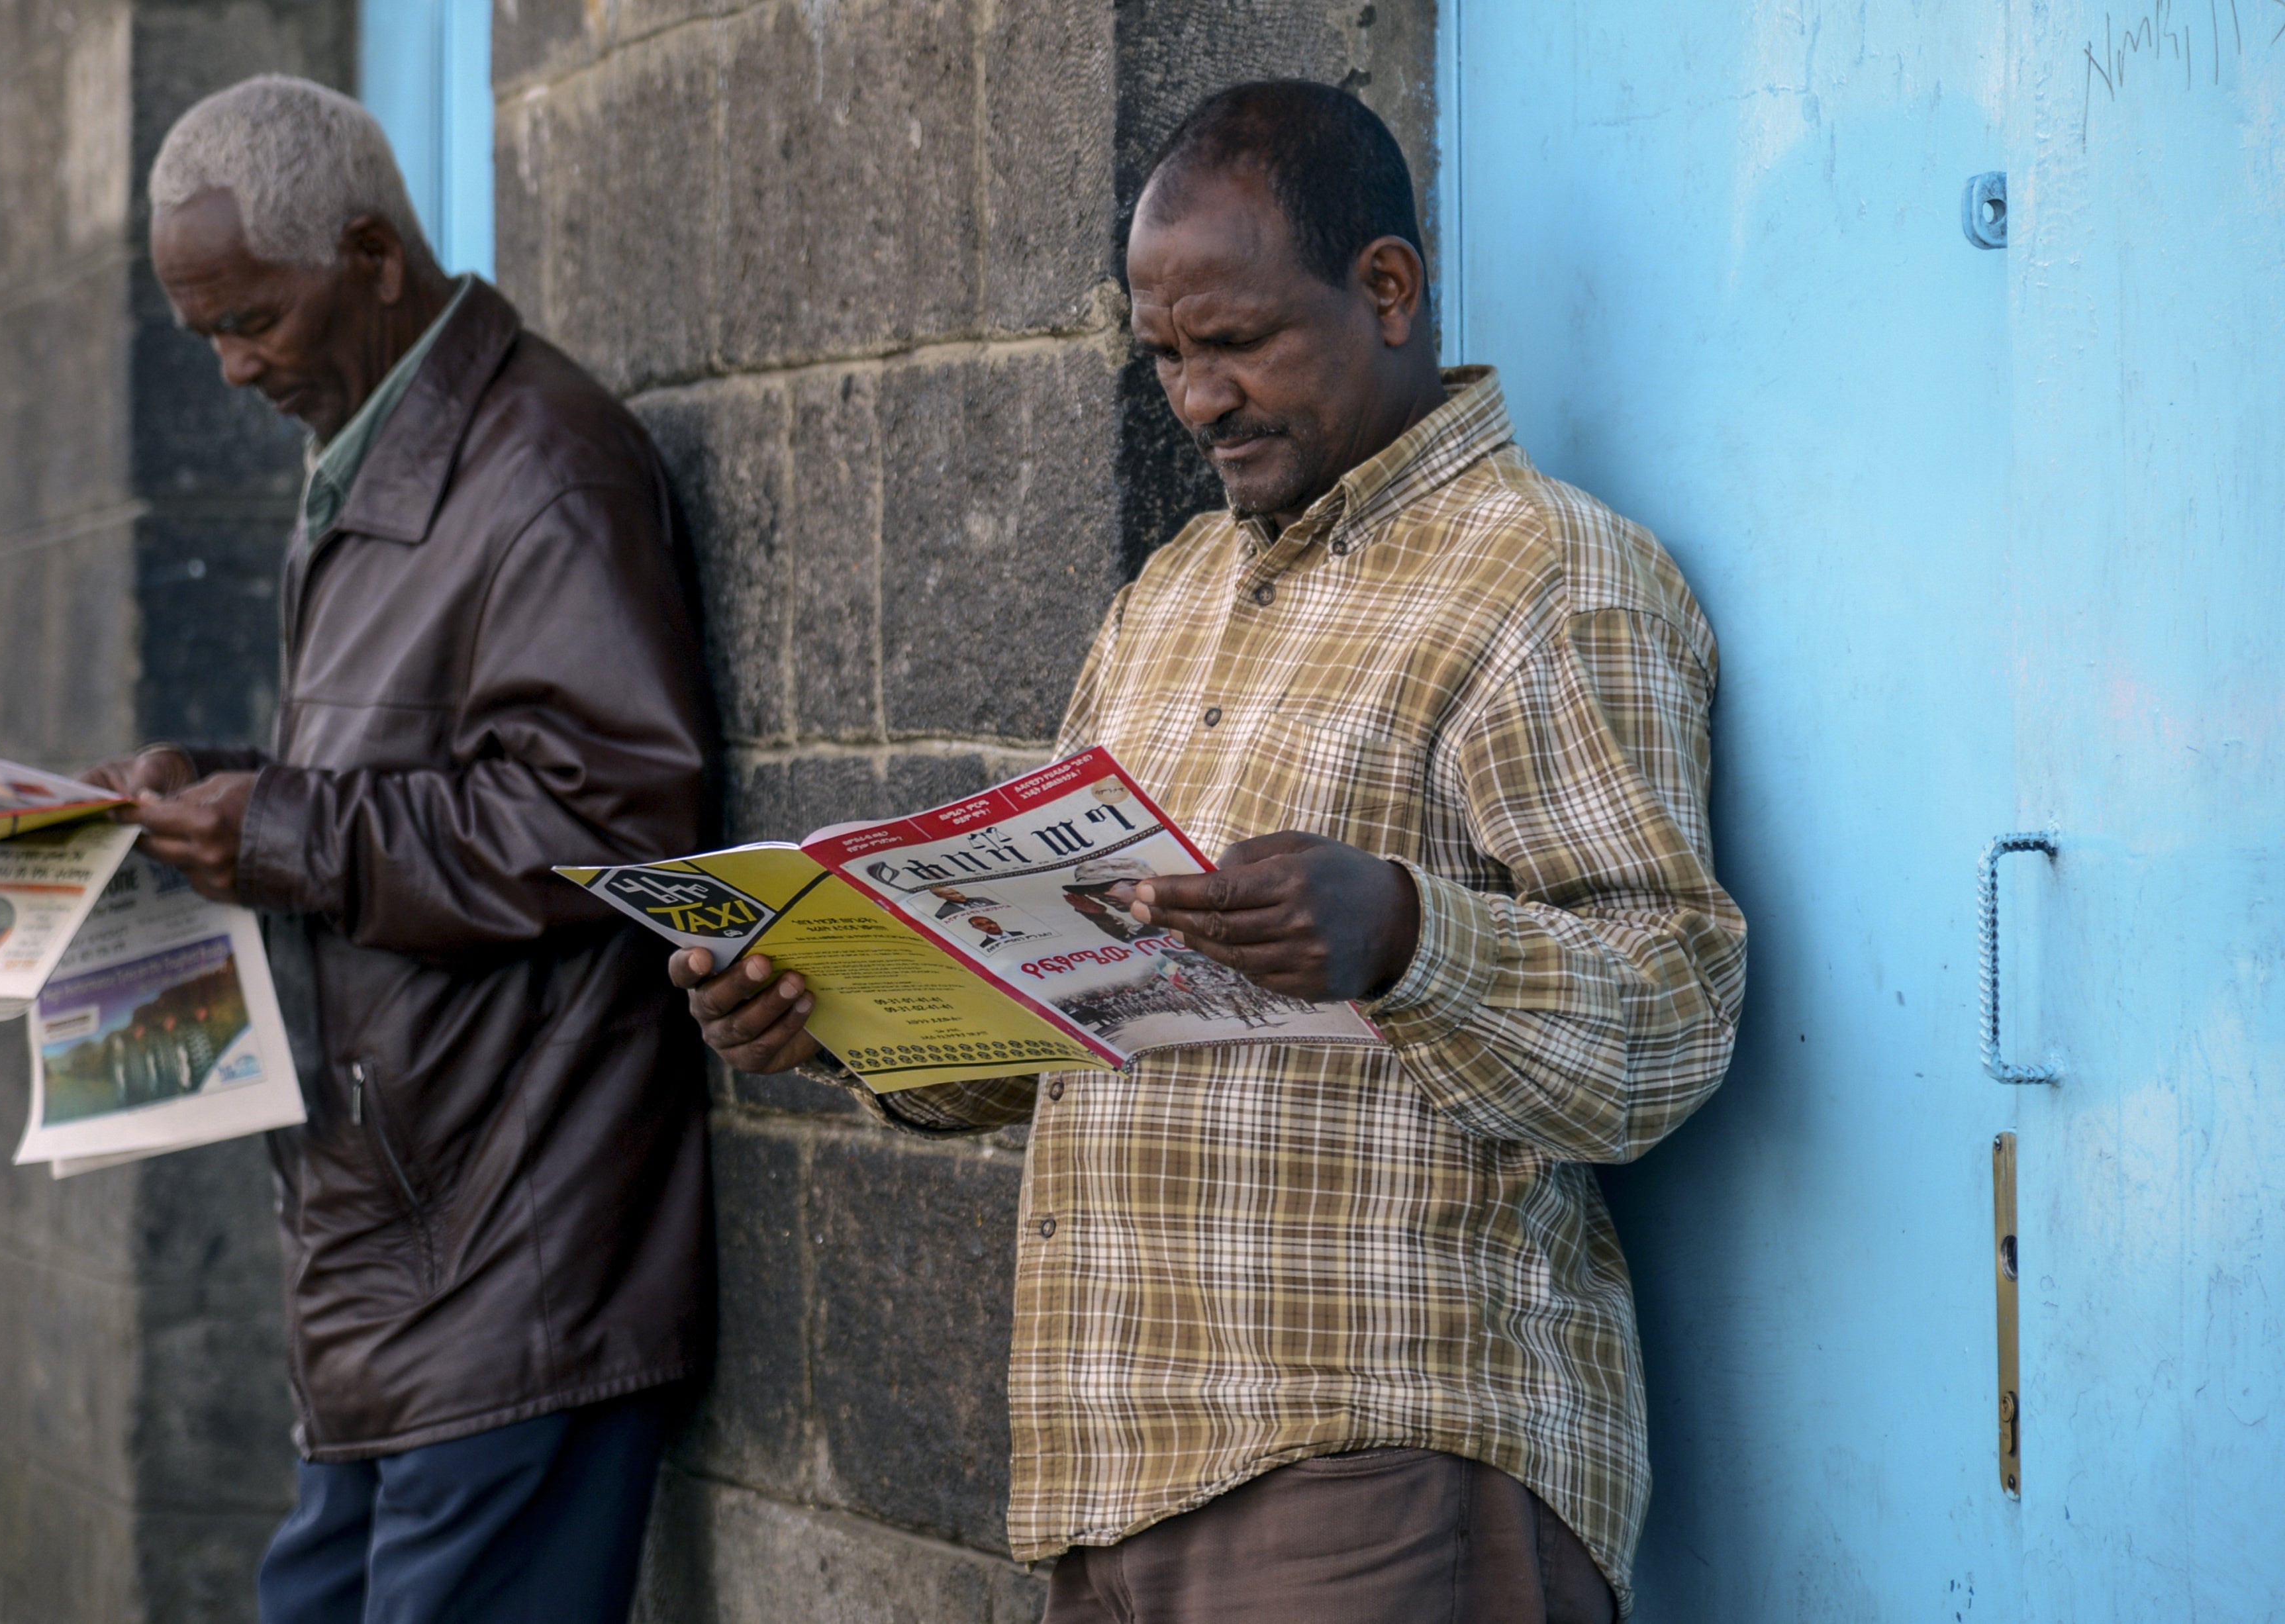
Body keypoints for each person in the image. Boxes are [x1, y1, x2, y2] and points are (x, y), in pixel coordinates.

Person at [675, 79, 1746, 1623]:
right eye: (1165, 354)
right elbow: (1051, 992)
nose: (1194, 397)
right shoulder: (1170, 592)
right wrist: (838, 1013)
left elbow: (1672, 1014)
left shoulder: (1549, 580)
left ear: (1385, 290)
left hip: (1372, 1465)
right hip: (1106, 1461)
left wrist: (1403, 936)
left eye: (1235, 341)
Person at [83, 75, 715, 1624]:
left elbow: (610, 822)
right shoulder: (378, 446)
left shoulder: (543, 464)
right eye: (205, 334)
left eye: (254, 322)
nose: (235, 366)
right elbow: (417, 771)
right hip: (400, 1232)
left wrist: (283, 828)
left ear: (370, 256)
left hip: (507, 1238)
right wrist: (220, 787)